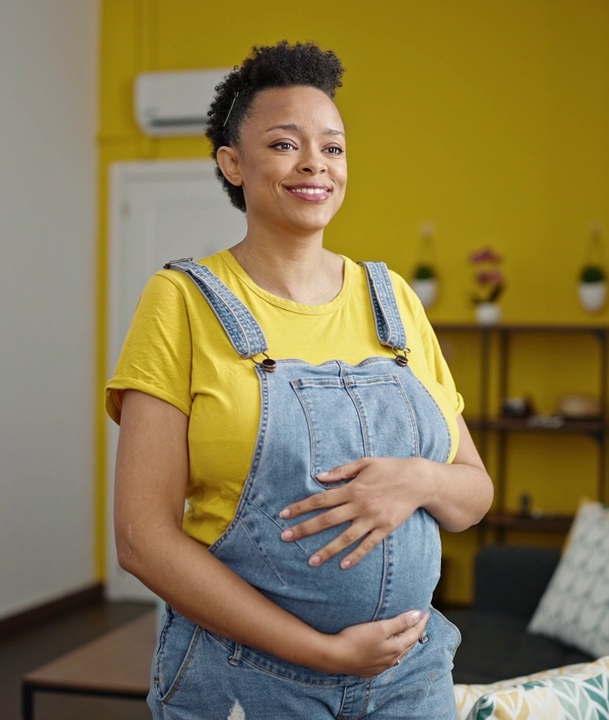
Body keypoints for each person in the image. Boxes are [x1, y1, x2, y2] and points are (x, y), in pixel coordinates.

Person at [106, 40, 492, 720]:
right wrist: (324, 653)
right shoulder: (183, 302)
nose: (315, 162)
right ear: (233, 163)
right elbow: (142, 537)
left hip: (411, 677)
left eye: (333, 147)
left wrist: (419, 480)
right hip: (247, 682)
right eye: (285, 144)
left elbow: (473, 494)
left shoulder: (392, 299)